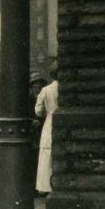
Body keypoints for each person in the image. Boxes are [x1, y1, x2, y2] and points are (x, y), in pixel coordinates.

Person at [35, 60, 59, 196]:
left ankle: (46, 187)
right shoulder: (64, 89)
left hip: (49, 122)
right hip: (62, 120)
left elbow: (38, 111)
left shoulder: (46, 90)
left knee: (47, 154)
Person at [28, 72, 48, 197]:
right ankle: (32, 189)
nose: (37, 87)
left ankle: (40, 187)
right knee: (32, 162)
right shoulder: (28, 99)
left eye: (39, 85)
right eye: (35, 85)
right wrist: (31, 122)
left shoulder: (43, 97)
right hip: (31, 133)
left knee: (41, 161)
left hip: (41, 131)